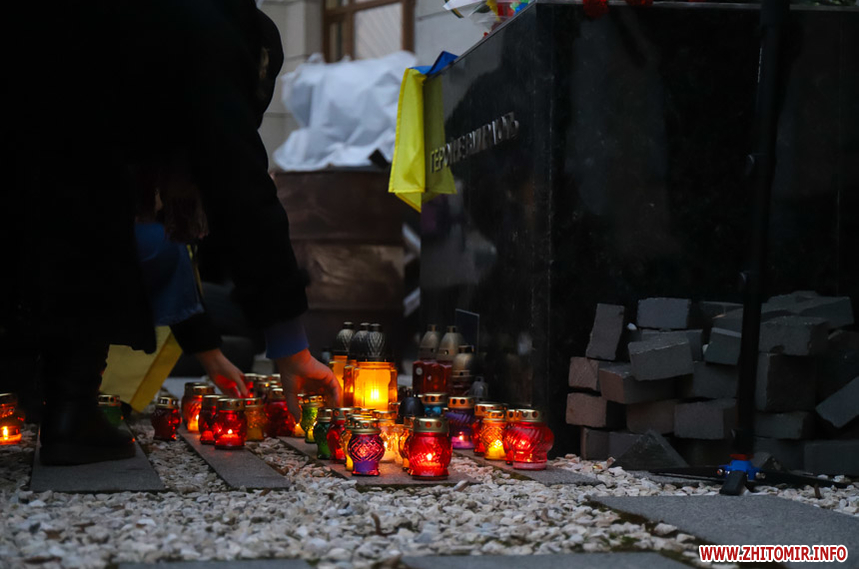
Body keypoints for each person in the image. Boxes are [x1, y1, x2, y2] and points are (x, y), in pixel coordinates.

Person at [4, 0, 339, 465]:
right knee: (86, 210)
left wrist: (213, 352)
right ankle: (70, 411)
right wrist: (290, 343)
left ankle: (69, 409)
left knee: (77, 206)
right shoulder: (207, 33)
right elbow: (238, 183)